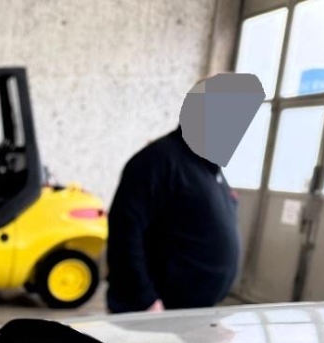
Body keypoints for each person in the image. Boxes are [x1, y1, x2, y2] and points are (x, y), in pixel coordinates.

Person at [106, 73, 264, 313]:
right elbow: (124, 231)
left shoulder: (209, 168)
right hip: (156, 314)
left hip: (195, 312)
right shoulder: (157, 161)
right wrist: (145, 300)